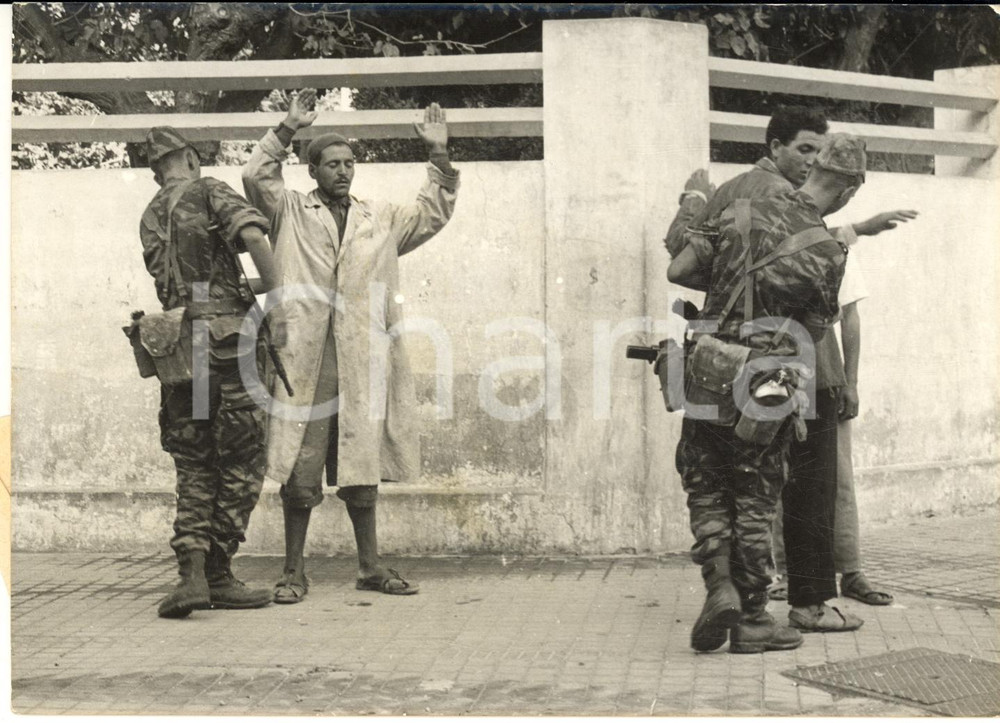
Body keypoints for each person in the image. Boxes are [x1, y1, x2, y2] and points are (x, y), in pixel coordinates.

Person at [665, 107, 915, 633]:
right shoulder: (827, 249)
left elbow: (679, 268)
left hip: (707, 367)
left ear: (814, 166)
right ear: (847, 192)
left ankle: (720, 587)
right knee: (756, 498)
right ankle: (754, 620)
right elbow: (818, 328)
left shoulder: (740, 209)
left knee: (706, 484)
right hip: (765, 382)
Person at [242, 89, 460, 603]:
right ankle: (293, 572)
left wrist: (438, 152)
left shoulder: (379, 217)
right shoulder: (289, 210)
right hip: (307, 358)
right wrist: (288, 127)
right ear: (312, 171)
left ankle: (370, 566)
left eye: (349, 162)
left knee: (362, 467)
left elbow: (433, 212)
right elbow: (255, 177)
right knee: (301, 465)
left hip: (363, 359)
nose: (343, 171)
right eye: (332, 164)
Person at [139, 127, 279, 619]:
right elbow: (253, 234)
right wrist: (277, 292)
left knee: (195, 460)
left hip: (182, 350)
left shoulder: (151, 214)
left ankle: (191, 576)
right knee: (242, 458)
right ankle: (218, 572)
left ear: (157, 170)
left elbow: (187, 286)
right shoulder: (209, 188)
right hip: (228, 347)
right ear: (193, 159)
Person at [769, 248, 896, 607]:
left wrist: (851, 382)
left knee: (838, 476)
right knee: (783, 474)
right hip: (776, 374)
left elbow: (850, 315)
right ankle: (787, 572)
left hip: (826, 376)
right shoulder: (774, 233)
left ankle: (851, 570)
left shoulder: (833, 244)